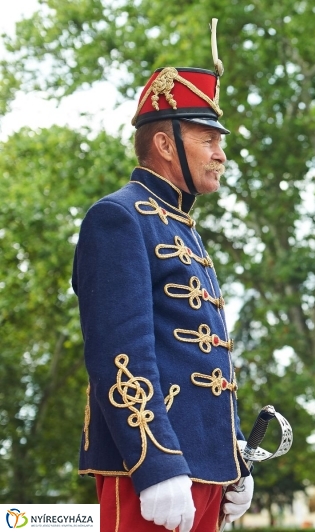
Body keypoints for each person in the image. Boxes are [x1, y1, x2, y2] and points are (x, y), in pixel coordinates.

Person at [73, 25, 253, 532]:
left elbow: (202, 358)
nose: (221, 154)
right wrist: (157, 466)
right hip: (151, 470)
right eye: (208, 139)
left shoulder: (183, 228)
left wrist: (232, 454)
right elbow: (119, 352)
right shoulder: (119, 217)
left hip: (201, 470)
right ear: (165, 143)